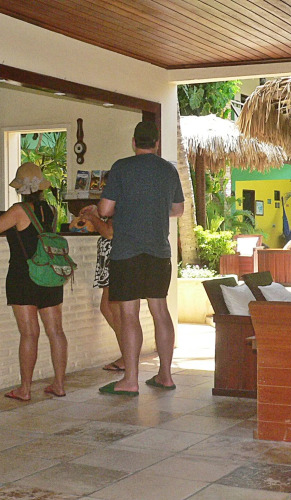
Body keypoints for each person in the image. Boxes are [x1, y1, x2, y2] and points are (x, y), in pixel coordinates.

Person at [97, 121, 184, 396]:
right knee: (160, 311)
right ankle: (165, 376)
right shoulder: (168, 170)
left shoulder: (122, 167)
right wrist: (152, 209)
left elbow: (105, 209)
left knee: (128, 314)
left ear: (134, 142)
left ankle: (130, 380)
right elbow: (178, 209)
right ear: (156, 143)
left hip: (127, 252)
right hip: (159, 252)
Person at [0, 162, 67, 401]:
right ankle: (59, 384)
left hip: (24, 278)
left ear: (20, 188)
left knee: (29, 334)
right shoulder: (51, 210)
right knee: (56, 331)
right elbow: (32, 231)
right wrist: (3, 220)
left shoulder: (18, 209)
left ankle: (25, 389)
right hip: (50, 276)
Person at [79, 188, 124, 372]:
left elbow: (109, 232)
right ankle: (128, 353)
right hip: (112, 263)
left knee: (113, 310)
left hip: (115, 263)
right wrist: (95, 214)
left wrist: (93, 218)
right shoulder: (120, 207)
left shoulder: (120, 207)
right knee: (110, 309)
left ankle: (128, 355)